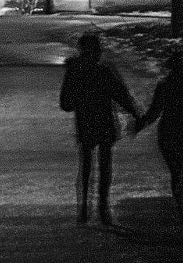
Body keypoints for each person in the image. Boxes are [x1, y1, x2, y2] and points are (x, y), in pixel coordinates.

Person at [59, 32, 140, 225]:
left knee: (86, 165)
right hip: (104, 123)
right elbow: (120, 95)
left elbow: (65, 103)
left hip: (86, 123)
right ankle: (103, 208)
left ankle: (84, 208)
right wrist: (135, 114)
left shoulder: (75, 72)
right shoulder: (103, 72)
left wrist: (79, 99)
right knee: (104, 166)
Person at [134, 52, 183, 221]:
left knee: (175, 170)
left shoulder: (164, 86)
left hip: (167, 129)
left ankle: (181, 204)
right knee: (180, 169)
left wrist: (141, 124)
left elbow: (155, 111)